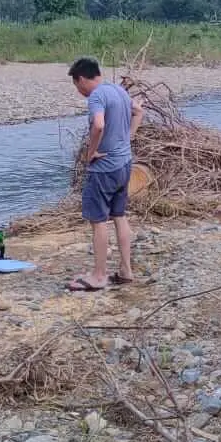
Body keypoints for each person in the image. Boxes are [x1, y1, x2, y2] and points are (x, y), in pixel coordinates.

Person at [65, 57, 145, 292]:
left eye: (77, 86)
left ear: (81, 79)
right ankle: (126, 271)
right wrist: (127, 138)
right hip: (124, 164)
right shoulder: (119, 91)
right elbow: (138, 111)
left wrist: (91, 152)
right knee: (119, 216)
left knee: (98, 221)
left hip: (104, 168)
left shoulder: (97, 96)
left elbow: (98, 125)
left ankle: (99, 276)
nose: (79, 91)